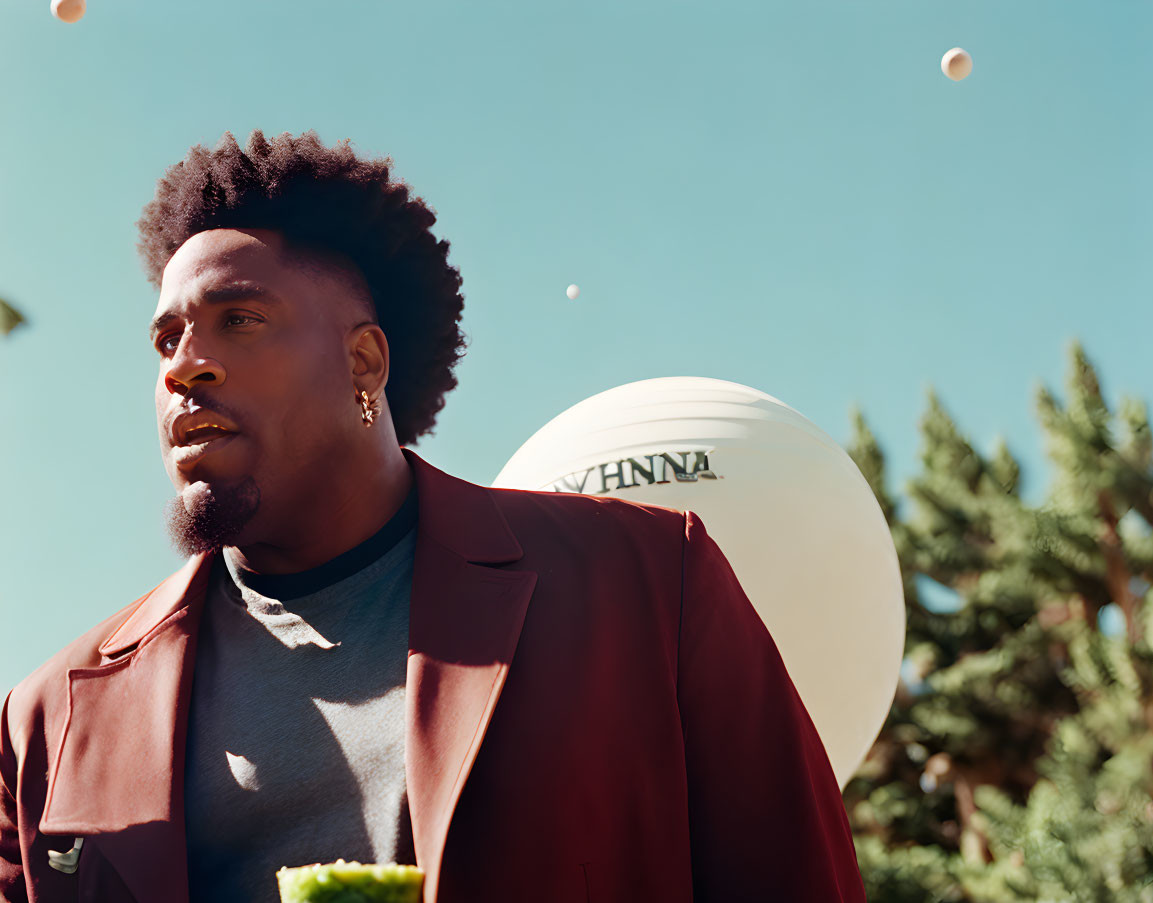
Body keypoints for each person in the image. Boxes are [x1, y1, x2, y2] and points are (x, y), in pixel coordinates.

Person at [0, 131, 866, 903]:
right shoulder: (46, 719)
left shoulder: (646, 581)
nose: (186, 366)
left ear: (363, 362)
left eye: (239, 320)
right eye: (165, 340)